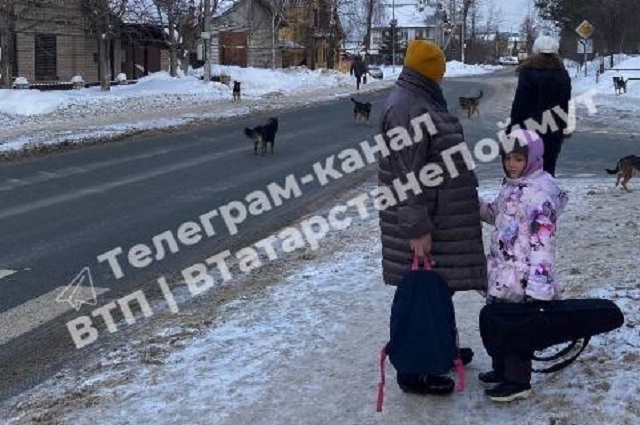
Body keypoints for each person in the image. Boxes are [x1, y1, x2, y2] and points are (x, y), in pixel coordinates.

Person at [378, 40, 487, 393]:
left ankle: (440, 348)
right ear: (430, 72)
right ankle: (415, 371)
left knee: (438, 290)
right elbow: (406, 176)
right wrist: (417, 229)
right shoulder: (407, 107)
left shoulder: (416, 98)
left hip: (439, 217)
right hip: (427, 222)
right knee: (425, 292)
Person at [478, 129, 569, 402]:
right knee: (499, 323)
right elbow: (496, 217)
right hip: (503, 271)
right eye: (507, 158)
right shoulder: (510, 186)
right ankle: (501, 370)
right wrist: (476, 204)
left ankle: (518, 381)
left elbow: (543, 244)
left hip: (525, 276)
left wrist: (539, 285)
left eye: (518, 158)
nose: (511, 164)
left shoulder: (540, 195)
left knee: (517, 329)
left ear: (533, 158)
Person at [510, 35, 572, 177]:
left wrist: (512, 129)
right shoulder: (562, 74)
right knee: (548, 170)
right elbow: (565, 105)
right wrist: (563, 128)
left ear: (535, 51)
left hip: (527, 129)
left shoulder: (527, 73)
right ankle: (545, 197)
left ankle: (520, 198)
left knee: (522, 171)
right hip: (553, 130)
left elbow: (520, 104)